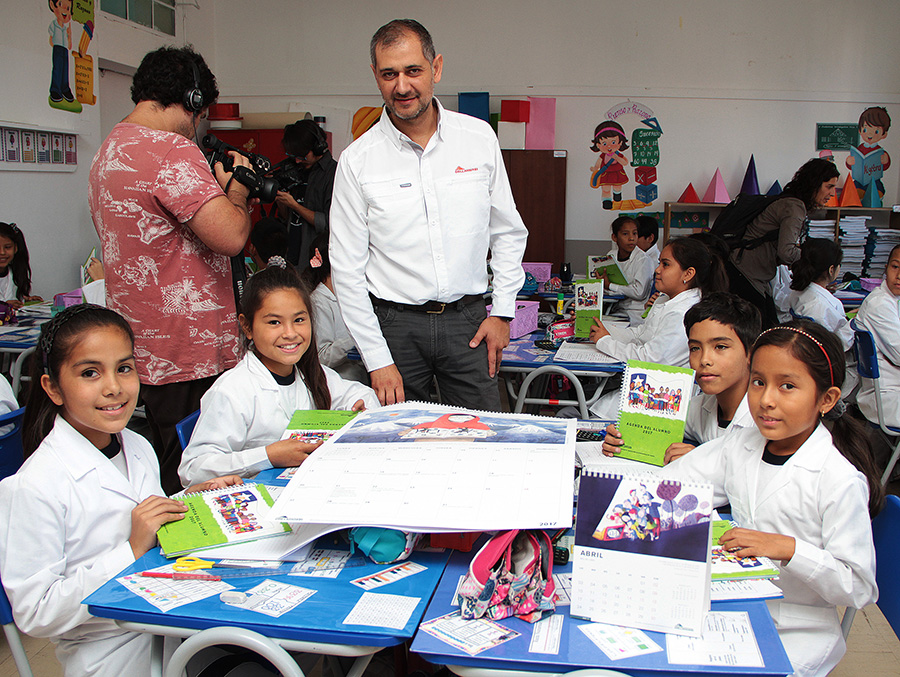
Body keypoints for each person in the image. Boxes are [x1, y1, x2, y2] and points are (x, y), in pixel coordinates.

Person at [0, 304, 242, 677]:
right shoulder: (33, 486)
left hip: (169, 622)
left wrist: (194, 495)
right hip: (110, 655)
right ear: (53, 387)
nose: (113, 387)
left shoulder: (137, 445)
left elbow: (146, 513)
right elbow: (36, 613)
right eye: (90, 372)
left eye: (124, 368)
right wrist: (129, 550)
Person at [662, 320, 882, 676]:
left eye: (788, 386)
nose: (766, 400)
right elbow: (678, 481)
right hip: (733, 603)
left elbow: (859, 587)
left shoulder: (838, 480)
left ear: (826, 399)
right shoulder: (743, 442)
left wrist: (789, 548)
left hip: (798, 626)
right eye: (759, 382)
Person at [330, 19, 528, 409]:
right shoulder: (357, 161)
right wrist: (377, 357)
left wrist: (503, 311)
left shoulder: (478, 138)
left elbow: (507, 232)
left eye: (413, 71)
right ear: (375, 76)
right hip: (394, 328)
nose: (402, 86)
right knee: (400, 443)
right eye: (389, 74)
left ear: (436, 68)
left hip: (468, 322)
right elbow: (347, 269)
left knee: (485, 436)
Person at [88, 46, 253, 494]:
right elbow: (231, 235)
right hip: (189, 349)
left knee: (168, 468)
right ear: (194, 100)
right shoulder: (172, 151)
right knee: (205, 478)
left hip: (143, 348)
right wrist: (236, 190)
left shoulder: (109, 150)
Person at [179, 263, 378, 486]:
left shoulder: (309, 372)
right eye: (274, 322)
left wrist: (359, 409)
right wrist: (268, 456)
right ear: (247, 326)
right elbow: (192, 469)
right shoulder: (232, 391)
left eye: (299, 320)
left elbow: (360, 394)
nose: (290, 333)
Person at [602, 292, 759, 463]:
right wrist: (620, 439)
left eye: (720, 347)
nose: (704, 360)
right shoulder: (698, 409)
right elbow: (649, 433)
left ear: (751, 353)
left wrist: (700, 460)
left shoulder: (765, 419)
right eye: (695, 348)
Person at [587, 237, 728, 418]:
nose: (657, 270)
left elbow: (650, 359)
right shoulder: (666, 299)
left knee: (594, 405)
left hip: (662, 395)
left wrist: (605, 341)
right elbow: (640, 334)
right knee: (591, 397)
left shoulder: (684, 313)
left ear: (688, 274)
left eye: (665, 264)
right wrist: (600, 328)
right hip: (650, 385)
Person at [726, 158, 839, 329]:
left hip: (748, 271)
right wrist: (816, 257)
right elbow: (786, 252)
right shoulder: (794, 207)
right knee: (761, 331)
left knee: (770, 327)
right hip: (746, 273)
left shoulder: (789, 201)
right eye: (829, 186)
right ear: (815, 184)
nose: (832, 193)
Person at [788, 237, 857, 396]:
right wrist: (855, 323)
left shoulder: (798, 292)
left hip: (803, 357)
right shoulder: (824, 304)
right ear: (832, 269)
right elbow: (838, 343)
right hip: (828, 366)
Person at [303, 233, 368, 382]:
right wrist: (357, 336)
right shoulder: (319, 302)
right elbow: (321, 356)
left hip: (359, 380)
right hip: (339, 383)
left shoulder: (348, 297)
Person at [275, 119, 338, 270]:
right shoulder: (296, 170)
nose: (297, 160)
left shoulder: (333, 174)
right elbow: (286, 218)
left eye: (302, 155)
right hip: (291, 256)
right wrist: (281, 201)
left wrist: (295, 205)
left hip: (316, 261)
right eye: (294, 155)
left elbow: (327, 223)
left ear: (317, 148)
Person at [856, 243, 900, 430]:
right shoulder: (880, 304)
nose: (898, 276)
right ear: (886, 268)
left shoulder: (892, 301)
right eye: (895, 266)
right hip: (887, 397)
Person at [594, 216, 653, 325]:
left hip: (634, 313)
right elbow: (606, 288)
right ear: (614, 237)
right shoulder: (611, 255)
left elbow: (639, 292)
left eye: (634, 233)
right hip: (615, 309)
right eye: (625, 234)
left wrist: (610, 286)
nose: (631, 238)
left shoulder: (643, 259)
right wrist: (602, 283)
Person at [0, 222, 42, 308]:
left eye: (7, 247)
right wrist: (5, 306)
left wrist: (25, 301)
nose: (2, 252)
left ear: (15, 248)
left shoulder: (15, 274)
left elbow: (11, 298)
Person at [589, 120, 629, 210]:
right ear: (598, 145)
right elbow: (599, 163)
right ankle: (606, 201)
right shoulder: (603, 155)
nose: (609, 146)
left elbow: (625, 162)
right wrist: (595, 168)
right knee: (605, 188)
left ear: (620, 143)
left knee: (617, 187)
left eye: (613, 142)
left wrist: (617, 158)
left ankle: (617, 195)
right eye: (604, 143)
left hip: (617, 173)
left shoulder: (618, 155)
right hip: (606, 174)